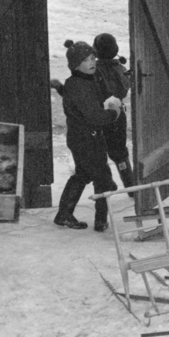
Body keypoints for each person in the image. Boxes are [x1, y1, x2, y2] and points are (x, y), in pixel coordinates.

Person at [53, 40, 119, 231]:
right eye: (86, 60)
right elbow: (94, 116)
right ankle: (100, 221)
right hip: (86, 139)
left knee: (83, 174)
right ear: (75, 64)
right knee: (103, 178)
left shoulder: (82, 81)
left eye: (93, 58)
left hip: (83, 137)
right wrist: (114, 113)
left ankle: (64, 214)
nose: (92, 63)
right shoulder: (80, 86)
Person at [93, 32, 135, 189]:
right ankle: (130, 185)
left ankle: (107, 183)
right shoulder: (120, 68)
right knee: (120, 153)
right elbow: (124, 90)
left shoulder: (93, 70)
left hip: (98, 115)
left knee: (98, 152)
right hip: (118, 114)